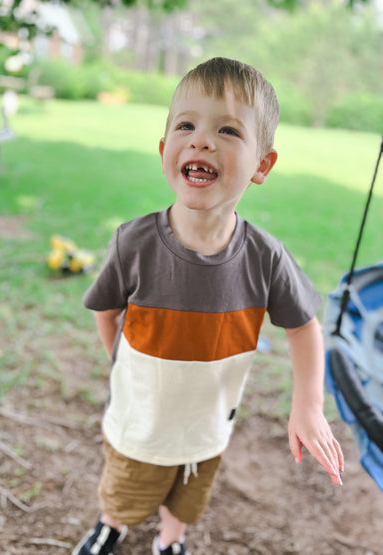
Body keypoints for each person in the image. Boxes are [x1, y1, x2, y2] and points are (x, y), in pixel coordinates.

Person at [73, 57, 344, 555]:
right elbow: (105, 310)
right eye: (186, 125)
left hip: (209, 423)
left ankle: (170, 541)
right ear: (164, 151)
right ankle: (110, 525)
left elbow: (305, 325)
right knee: (127, 486)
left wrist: (308, 404)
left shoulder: (266, 257)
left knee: (188, 493)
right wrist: (122, 365)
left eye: (227, 130)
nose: (201, 140)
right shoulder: (132, 243)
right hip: (142, 417)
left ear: (262, 165)